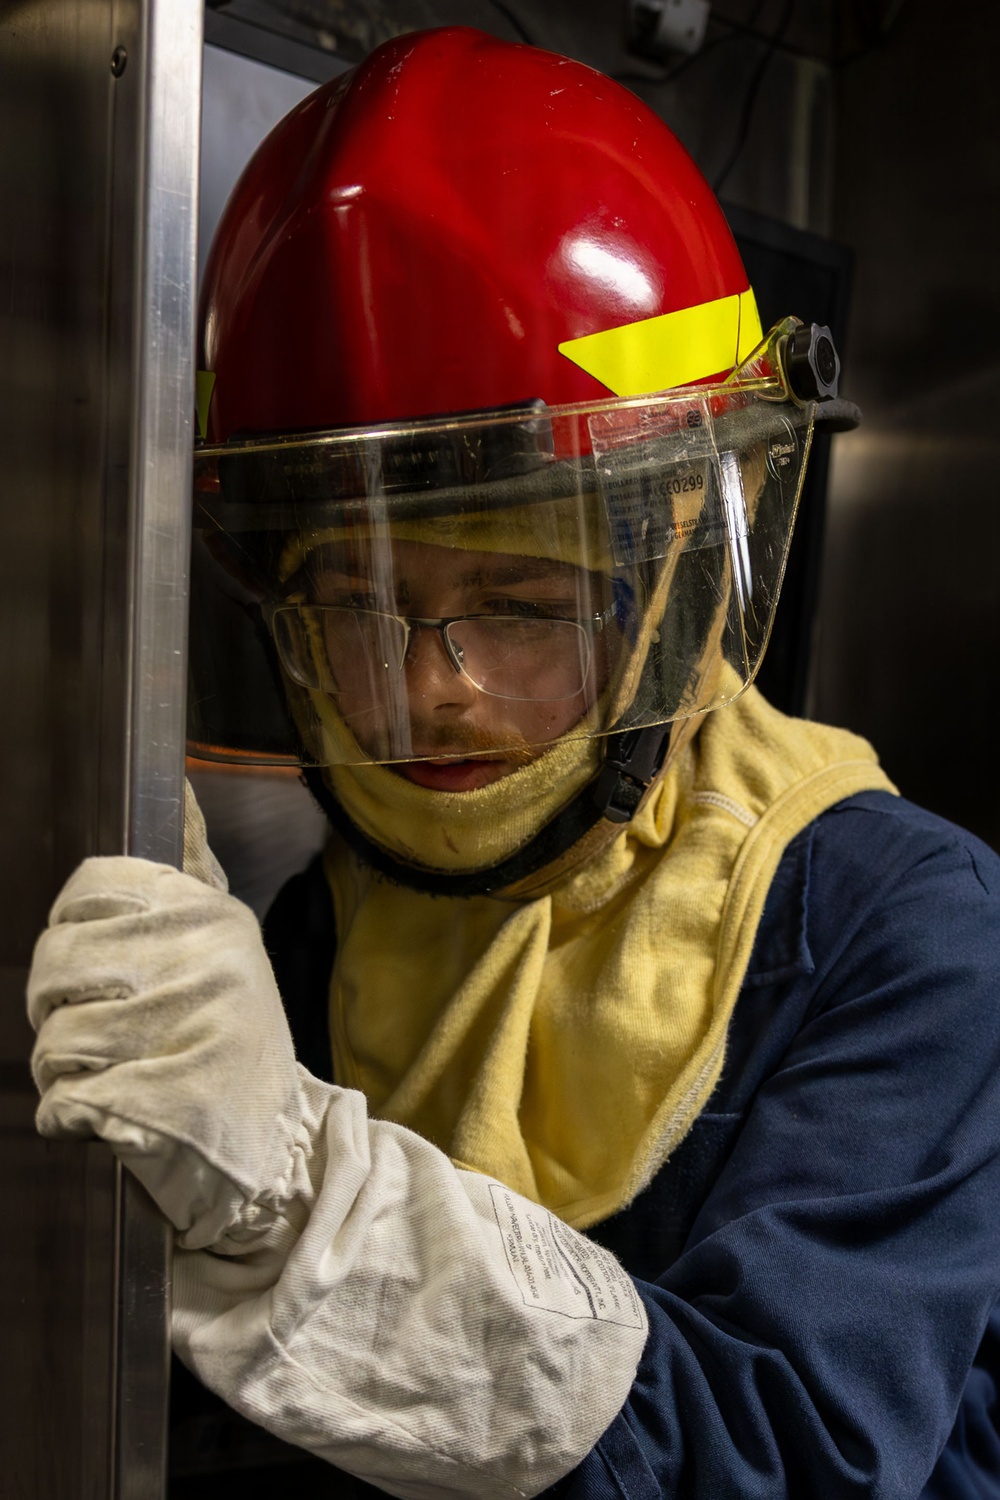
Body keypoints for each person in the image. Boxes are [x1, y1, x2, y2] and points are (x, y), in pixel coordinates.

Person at [27, 26, 1000, 1500]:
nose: (430, 692)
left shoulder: (899, 926)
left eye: (526, 608)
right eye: (353, 607)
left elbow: (794, 1453)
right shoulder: (326, 925)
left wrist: (305, 1208)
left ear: (680, 582)